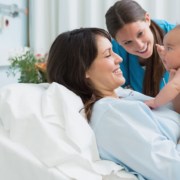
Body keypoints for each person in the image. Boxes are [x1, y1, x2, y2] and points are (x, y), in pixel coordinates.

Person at [47, 28, 180, 180]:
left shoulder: (122, 95)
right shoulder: (112, 115)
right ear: (84, 69)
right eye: (108, 54)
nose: (119, 59)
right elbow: (174, 170)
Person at [105, 0, 176, 97]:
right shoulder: (112, 52)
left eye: (140, 33)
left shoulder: (175, 35)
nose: (140, 46)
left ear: (147, 19)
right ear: (117, 41)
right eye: (128, 42)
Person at [144, 26, 180, 114]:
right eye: (164, 47)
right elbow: (169, 67)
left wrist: (155, 102)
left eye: (169, 48)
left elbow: (174, 87)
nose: (163, 52)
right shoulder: (176, 70)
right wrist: (164, 56)